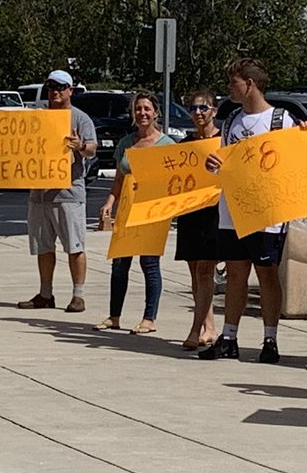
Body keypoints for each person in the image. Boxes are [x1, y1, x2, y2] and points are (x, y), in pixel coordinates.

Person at [200, 57, 294, 365]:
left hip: (267, 214)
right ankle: (229, 336)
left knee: (267, 274)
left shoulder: (281, 120)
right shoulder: (231, 121)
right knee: (236, 273)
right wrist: (214, 164)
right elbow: (225, 163)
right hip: (233, 211)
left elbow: (295, 163)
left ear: (249, 84)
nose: (230, 88)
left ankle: (270, 339)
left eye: (234, 83)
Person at [17, 69, 98, 313]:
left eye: (61, 87)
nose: (55, 91)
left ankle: (78, 295)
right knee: (43, 247)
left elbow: (93, 148)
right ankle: (45, 293)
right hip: (39, 194)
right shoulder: (37, 117)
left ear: (70, 90)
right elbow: (19, 145)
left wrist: (80, 145)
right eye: (51, 87)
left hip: (68, 193)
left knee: (74, 246)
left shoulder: (80, 119)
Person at [94, 92, 176, 334]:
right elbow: (119, 179)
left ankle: (149, 319)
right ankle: (114, 316)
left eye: (147, 109)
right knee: (120, 264)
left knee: (149, 264)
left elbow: (174, 182)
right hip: (127, 211)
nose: (142, 113)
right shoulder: (126, 144)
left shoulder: (166, 145)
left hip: (153, 212)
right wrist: (110, 202)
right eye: (138, 109)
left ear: (156, 113)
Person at [174, 88, 221, 349]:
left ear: (214, 111)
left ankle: (195, 329)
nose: (198, 113)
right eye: (193, 108)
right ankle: (209, 326)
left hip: (214, 212)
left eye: (203, 108)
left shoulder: (223, 140)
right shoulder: (184, 145)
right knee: (195, 272)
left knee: (206, 269)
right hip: (190, 212)